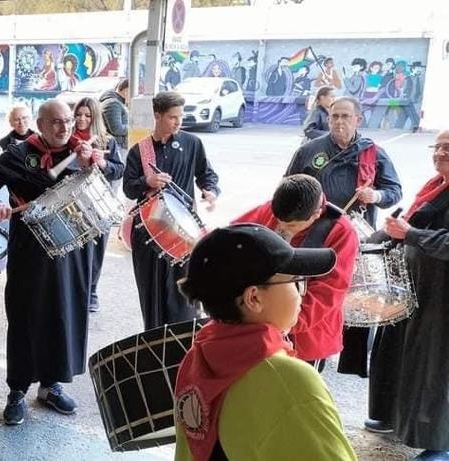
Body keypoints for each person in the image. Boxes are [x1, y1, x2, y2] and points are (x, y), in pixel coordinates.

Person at [0, 99, 108, 426]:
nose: (64, 128)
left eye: (68, 121)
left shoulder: (82, 151)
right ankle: (17, 390)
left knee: (64, 316)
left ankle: (51, 386)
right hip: (32, 255)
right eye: (56, 122)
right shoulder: (19, 154)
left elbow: (115, 171)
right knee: (26, 319)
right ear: (41, 124)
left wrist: (101, 163)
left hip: (74, 254)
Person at [172, 224, 356, 460]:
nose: (302, 292)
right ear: (254, 298)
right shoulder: (290, 380)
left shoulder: (198, 358)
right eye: (295, 281)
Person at [284, 95, 402, 409]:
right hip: (313, 237)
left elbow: (394, 191)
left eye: (345, 116)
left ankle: (346, 355)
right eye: (334, 115)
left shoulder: (373, 153)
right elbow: (288, 186)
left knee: (350, 297)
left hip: (353, 238)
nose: (338, 121)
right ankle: (311, 348)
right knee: (317, 296)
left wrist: (374, 193)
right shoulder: (310, 151)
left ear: (358, 119)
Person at [232, 174, 358, 370]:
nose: (281, 227)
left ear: (316, 214)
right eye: (278, 220)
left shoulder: (341, 231)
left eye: (291, 225)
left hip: (304, 335)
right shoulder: (274, 210)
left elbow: (328, 293)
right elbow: (233, 235)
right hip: (259, 324)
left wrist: (281, 322)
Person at [376, 131, 449, 460]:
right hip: (420, 290)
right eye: (438, 147)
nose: (440, 154)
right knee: (411, 363)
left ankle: (440, 444)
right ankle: (402, 422)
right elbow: (409, 223)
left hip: (443, 301)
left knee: (437, 372)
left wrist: (412, 234)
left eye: (448, 148)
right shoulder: (435, 187)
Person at [122, 91, 220, 331]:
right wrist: (148, 181)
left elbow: (206, 174)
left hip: (184, 232)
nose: (178, 122)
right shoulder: (140, 151)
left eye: (180, 116)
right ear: (157, 115)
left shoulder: (192, 144)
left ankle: (182, 347)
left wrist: (210, 190)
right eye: (172, 117)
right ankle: (155, 343)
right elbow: (128, 188)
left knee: (183, 297)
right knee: (152, 295)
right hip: (148, 233)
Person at [72, 96, 124, 312]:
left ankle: (91, 292)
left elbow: (119, 169)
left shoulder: (107, 141)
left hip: (99, 202)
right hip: (73, 203)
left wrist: (101, 162)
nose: (82, 119)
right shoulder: (66, 138)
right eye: (78, 114)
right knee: (73, 248)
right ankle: (73, 290)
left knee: (96, 249)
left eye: (87, 115)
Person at [100, 78, 130, 150]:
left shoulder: (118, 102)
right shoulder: (113, 103)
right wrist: (132, 128)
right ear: (126, 90)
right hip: (116, 148)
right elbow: (116, 129)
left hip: (118, 146)